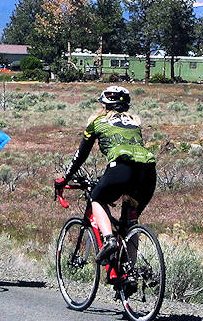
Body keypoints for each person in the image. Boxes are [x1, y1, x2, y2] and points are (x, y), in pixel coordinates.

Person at [55, 86, 156, 265]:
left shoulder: (98, 122)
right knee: (130, 223)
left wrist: (65, 177)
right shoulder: (135, 122)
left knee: (96, 198)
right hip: (148, 171)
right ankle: (128, 275)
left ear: (104, 105)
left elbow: (81, 155)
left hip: (121, 166)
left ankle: (109, 240)